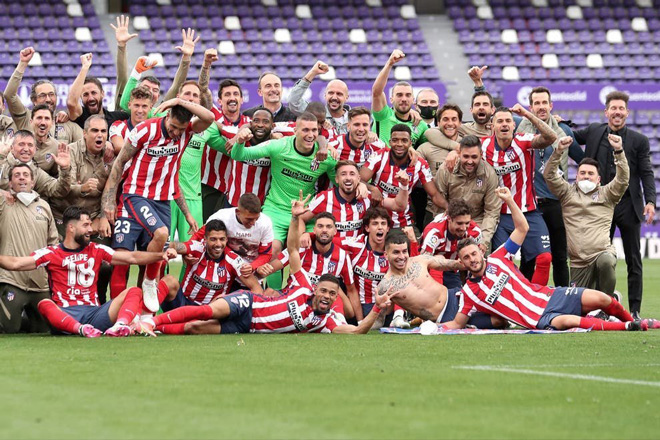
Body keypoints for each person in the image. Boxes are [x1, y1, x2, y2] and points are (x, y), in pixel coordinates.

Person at [139, 193, 392, 335]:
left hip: (248, 326)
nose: (326, 296)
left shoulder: (323, 322)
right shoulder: (304, 286)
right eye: (324, 291)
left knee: (195, 329)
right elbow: (291, 250)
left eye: (330, 294)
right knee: (206, 311)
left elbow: (355, 333)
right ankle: (151, 321)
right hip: (249, 303)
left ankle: (154, 329)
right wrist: (295, 220)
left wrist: (376, 311)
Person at [444, 187, 650, 332]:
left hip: (551, 296)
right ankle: (626, 327)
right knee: (571, 321)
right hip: (538, 319)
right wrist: (430, 327)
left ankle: (635, 321)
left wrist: (509, 201)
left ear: (481, 252)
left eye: (474, 254)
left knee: (603, 299)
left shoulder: (499, 257)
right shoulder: (469, 292)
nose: (472, 259)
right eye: (466, 258)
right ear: (462, 263)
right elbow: (457, 323)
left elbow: (522, 228)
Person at [100, 98, 214, 313]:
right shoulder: (145, 130)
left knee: (155, 255)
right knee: (129, 252)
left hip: (162, 201)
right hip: (135, 196)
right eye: (172, 127)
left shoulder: (187, 132)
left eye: (180, 129)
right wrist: (108, 200)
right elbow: (120, 162)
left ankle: (142, 315)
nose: (175, 133)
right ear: (166, 116)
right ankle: (116, 310)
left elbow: (209, 117)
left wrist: (180, 100)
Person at [0, 206, 177, 337]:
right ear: (71, 228)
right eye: (85, 225)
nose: (90, 230)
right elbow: (15, 263)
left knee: (134, 291)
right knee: (44, 304)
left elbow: (131, 258)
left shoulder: (97, 249)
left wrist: (160, 255)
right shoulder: (51, 253)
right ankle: (81, 329)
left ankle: (120, 325)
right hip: (65, 313)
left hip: (94, 314)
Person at [573, 91, 656, 318]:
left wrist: (650, 201)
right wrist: (559, 122)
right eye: (613, 108)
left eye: (621, 108)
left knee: (634, 261)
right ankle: (601, 308)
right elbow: (569, 136)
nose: (617, 112)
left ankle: (636, 311)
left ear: (627, 113)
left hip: (629, 206)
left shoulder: (639, 140)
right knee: (598, 259)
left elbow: (647, 173)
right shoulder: (594, 131)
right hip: (599, 207)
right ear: (606, 111)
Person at [229, 112, 338, 271]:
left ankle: (301, 292)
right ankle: (271, 294)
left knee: (309, 253)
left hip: (305, 213)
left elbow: (340, 183)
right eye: (305, 130)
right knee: (272, 252)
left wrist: (362, 186)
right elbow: (239, 155)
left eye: (314, 130)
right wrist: (239, 142)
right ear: (295, 130)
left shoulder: (325, 157)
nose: (310, 135)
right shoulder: (279, 146)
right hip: (276, 210)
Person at [545, 133, 629, 297]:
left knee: (606, 261)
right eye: (582, 173)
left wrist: (618, 151)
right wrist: (558, 151)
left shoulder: (607, 194)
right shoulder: (567, 193)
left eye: (590, 174)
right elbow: (549, 175)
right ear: (576, 177)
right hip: (577, 262)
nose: (586, 176)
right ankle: (611, 298)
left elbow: (623, 179)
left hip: (601, 254)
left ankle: (607, 305)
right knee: (579, 311)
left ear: (599, 179)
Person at [518, 86, 584, 287]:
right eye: (536, 103)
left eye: (544, 103)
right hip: (530, 203)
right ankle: (522, 302)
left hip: (556, 201)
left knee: (560, 257)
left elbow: (582, 160)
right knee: (529, 257)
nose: (541, 107)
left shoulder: (562, 130)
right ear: (530, 107)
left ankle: (563, 299)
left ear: (551, 105)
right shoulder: (520, 128)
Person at [483, 105, 557, 285]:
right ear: (492, 125)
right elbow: (462, 149)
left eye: (508, 121)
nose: (504, 125)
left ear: (514, 125)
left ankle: (537, 303)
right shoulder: (483, 145)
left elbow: (551, 137)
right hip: (499, 216)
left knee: (545, 258)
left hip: (528, 212)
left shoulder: (524, 141)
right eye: (499, 121)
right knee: (501, 266)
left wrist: (526, 114)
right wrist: (455, 152)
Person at [378, 230, 504, 329]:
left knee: (500, 308)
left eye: (404, 251)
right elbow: (378, 320)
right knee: (498, 321)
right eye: (396, 252)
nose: (401, 256)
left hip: (457, 295)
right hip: (447, 316)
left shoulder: (420, 260)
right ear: (386, 254)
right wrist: (360, 326)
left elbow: (450, 264)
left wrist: (466, 263)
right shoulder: (385, 285)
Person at [152, 219, 262, 321]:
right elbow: (174, 245)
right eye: (213, 239)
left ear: (227, 239)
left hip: (211, 313)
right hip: (183, 304)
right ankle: (147, 318)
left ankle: (164, 323)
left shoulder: (234, 261)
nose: (218, 244)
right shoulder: (198, 247)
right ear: (205, 239)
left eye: (222, 239)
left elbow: (257, 289)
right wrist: (171, 250)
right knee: (169, 280)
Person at [263, 212, 358, 319]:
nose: (324, 230)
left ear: (335, 231)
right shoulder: (301, 248)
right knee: (269, 293)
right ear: (314, 230)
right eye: (320, 226)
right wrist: (255, 273)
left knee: (346, 309)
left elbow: (351, 292)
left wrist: (360, 321)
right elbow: (271, 267)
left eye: (329, 227)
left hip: (322, 303)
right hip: (293, 297)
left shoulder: (342, 256)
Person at [0, 163, 58, 333]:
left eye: (26, 174)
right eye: (16, 175)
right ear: (10, 183)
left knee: (44, 330)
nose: (22, 178)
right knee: (9, 329)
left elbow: (53, 243)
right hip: (12, 279)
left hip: (39, 282)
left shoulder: (44, 207)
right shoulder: (4, 203)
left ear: (33, 182)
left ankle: (23, 316)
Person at [361, 124, 445, 229]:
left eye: (404, 140)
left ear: (410, 143)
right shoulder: (378, 156)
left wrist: (450, 209)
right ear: (390, 142)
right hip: (376, 220)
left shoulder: (420, 164)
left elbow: (434, 195)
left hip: (403, 222)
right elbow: (359, 180)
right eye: (395, 140)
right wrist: (372, 188)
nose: (399, 144)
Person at [300, 160, 408, 240]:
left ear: (358, 179)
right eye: (343, 174)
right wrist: (302, 236)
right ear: (337, 179)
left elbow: (398, 206)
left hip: (358, 256)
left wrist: (404, 185)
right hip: (332, 255)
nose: (348, 178)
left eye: (352, 174)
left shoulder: (367, 197)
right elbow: (301, 218)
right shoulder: (324, 197)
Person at [4, 47, 83, 144]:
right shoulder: (25, 118)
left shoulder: (67, 123)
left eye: (51, 94)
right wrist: (23, 63)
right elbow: (9, 95)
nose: (48, 99)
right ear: (34, 100)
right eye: (42, 95)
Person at [435, 135, 500, 250]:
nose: (470, 161)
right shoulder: (446, 170)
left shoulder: (489, 174)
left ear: (481, 154)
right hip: (450, 220)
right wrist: (444, 229)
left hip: (476, 221)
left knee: (480, 258)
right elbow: (439, 203)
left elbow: (492, 212)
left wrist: (483, 242)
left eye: (474, 157)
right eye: (466, 156)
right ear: (459, 153)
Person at [118, 28, 199, 116]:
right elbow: (122, 84)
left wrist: (186, 58)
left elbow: (176, 86)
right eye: (146, 87)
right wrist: (121, 46)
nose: (150, 92)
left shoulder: (160, 116)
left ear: (158, 97)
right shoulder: (128, 109)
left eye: (155, 90)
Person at [191, 193, 274, 279]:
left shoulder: (265, 223)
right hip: (224, 271)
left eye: (256, 218)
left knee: (256, 290)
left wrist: (252, 267)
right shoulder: (222, 216)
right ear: (238, 212)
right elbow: (199, 235)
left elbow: (266, 254)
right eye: (249, 219)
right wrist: (189, 252)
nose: (253, 223)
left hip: (248, 274)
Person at [200, 79, 251, 220]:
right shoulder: (212, 115)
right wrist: (207, 64)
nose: (232, 97)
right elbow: (203, 89)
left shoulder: (248, 123)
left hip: (237, 192)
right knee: (206, 230)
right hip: (209, 186)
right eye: (227, 94)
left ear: (241, 99)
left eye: (236, 94)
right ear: (219, 101)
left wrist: (236, 137)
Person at [340, 206, 393, 321]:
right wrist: (309, 235)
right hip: (357, 305)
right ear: (367, 228)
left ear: (388, 228)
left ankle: (399, 318)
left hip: (385, 306)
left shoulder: (394, 249)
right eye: (375, 224)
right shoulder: (355, 245)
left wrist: (413, 241)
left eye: (383, 223)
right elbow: (329, 241)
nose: (380, 227)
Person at [421, 199, 483, 289]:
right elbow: (423, 263)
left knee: (457, 297)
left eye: (467, 223)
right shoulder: (434, 232)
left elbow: (477, 260)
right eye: (459, 223)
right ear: (449, 218)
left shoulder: (475, 232)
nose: (463, 228)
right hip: (432, 270)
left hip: (453, 271)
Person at [371, 49, 428, 146]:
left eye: (408, 95)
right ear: (391, 99)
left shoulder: (420, 125)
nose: (404, 99)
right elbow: (377, 92)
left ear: (413, 99)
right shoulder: (384, 115)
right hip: (383, 160)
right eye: (399, 95)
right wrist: (390, 63)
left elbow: (427, 149)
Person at [0, 130, 72, 199]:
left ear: (35, 150)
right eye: (21, 144)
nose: (26, 149)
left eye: (30, 145)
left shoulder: (36, 172)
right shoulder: (2, 162)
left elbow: (59, 190)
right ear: (12, 148)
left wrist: (65, 169)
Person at [225, 109, 275, 207]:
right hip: (233, 203)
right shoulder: (237, 135)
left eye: (265, 122)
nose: (260, 125)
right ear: (250, 124)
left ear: (272, 126)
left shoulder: (276, 145)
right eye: (256, 121)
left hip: (262, 206)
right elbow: (214, 123)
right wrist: (236, 138)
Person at [66, 53, 129, 128]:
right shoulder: (79, 116)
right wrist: (85, 67)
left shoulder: (119, 117)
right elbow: (71, 103)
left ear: (102, 93)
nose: (91, 98)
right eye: (85, 94)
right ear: (80, 97)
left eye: (94, 93)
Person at [288, 60, 351, 134]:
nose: (334, 97)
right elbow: (294, 102)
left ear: (346, 97)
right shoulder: (314, 113)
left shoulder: (355, 118)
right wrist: (313, 73)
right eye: (331, 93)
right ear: (325, 95)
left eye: (339, 94)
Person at [109, 86, 154, 154]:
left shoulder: (156, 129)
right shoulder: (118, 126)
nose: (140, 110)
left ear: (151, 107)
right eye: (136, 105)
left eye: (144, 106)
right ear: (129, 105)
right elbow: (120, 148)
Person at [28, 104, 60, 176]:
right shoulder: (21, 142)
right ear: (31, 121)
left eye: (47, 118)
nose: (43, 122)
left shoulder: (56, 147)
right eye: (39, 118)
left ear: (52, 123)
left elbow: (56, 177)